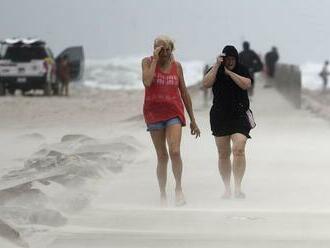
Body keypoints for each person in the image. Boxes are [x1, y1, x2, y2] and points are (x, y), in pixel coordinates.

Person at [141, 35, 201, 206]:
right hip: (153, 113)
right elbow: (147, 81)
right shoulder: (147, 62)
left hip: (174, 112)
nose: (163, 53)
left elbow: (184, 93)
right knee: (162, 156)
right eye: (159, 49)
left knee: (175, 151)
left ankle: (179, 189)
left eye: (166, 50)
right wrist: (154, 60)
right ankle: (162, 194)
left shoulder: (177, 67)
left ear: (170, 50)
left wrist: (193, 120)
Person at [203, 45, 253, 199]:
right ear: (223, 59)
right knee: (223, 154)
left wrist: (230, 73)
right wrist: (217, 65)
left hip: (239, 115)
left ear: (236, 59)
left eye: (233, 59)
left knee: (239, 149)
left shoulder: (242, 69)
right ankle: (227, 188)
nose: (230, 61)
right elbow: (206, 83)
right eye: (227, 59)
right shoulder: (215, 69)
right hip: (220, 116)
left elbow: (246, 84)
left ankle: (238, 187)